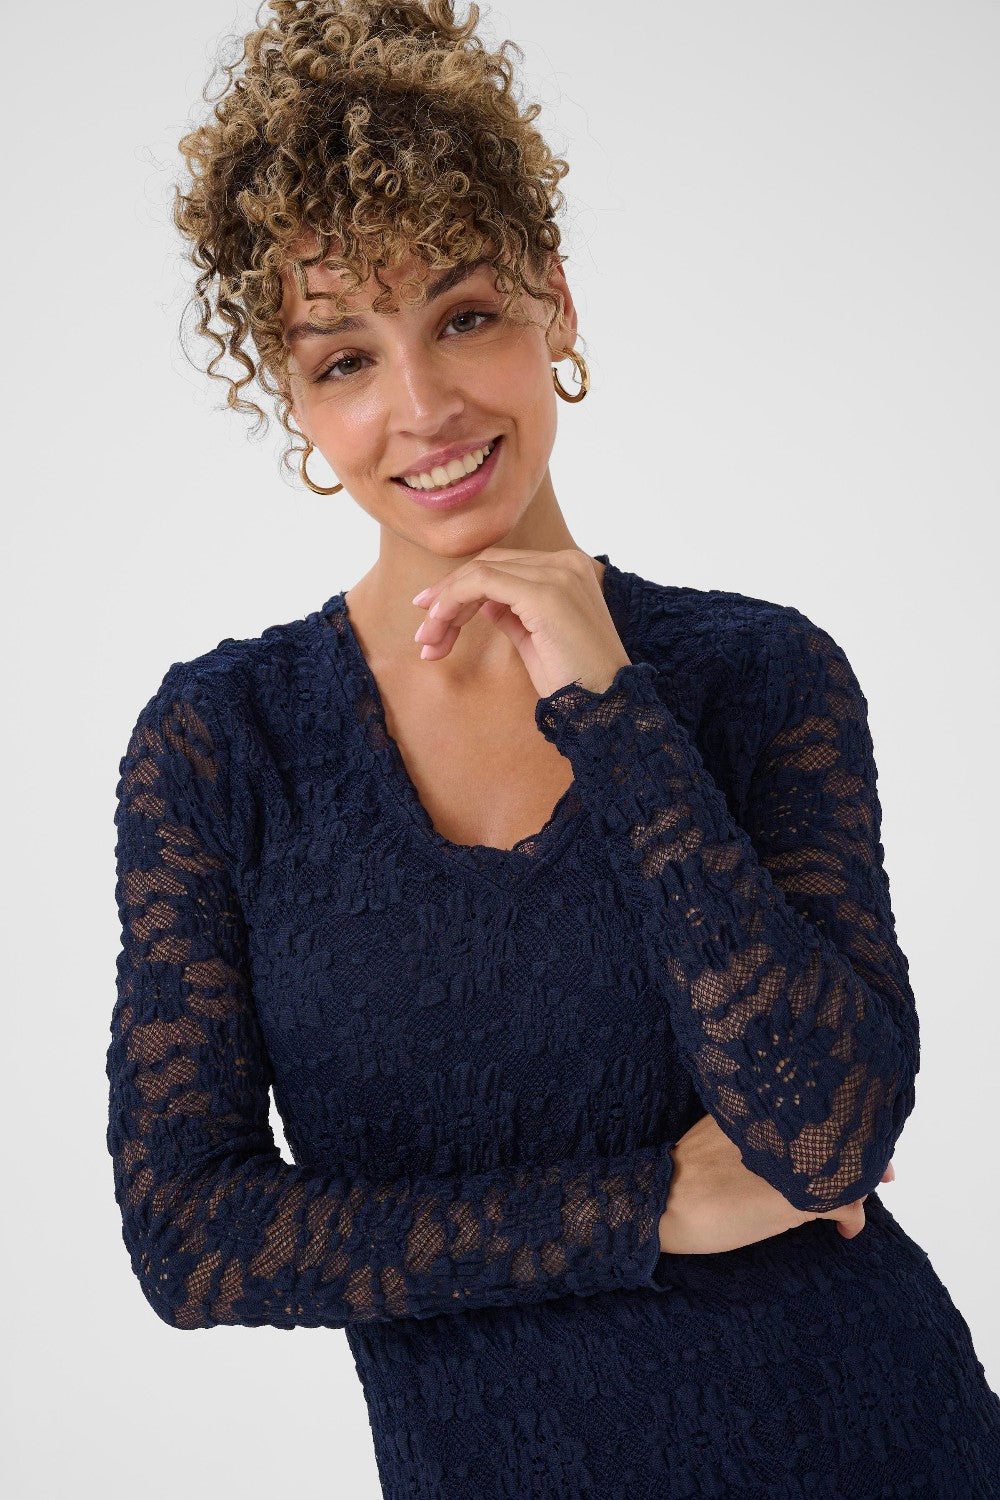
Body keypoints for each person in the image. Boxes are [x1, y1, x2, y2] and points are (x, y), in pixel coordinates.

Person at [106, 1, 1000, 1493]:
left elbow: (829, 1135)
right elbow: (190, 1238)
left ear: (556, 308)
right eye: (345, 360)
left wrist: (616, 714)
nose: (424, 408)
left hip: (875, 1445)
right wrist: (646, 1206)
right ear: (293, 394)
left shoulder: (753, 676)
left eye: (465, 316)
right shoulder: (221, 747)